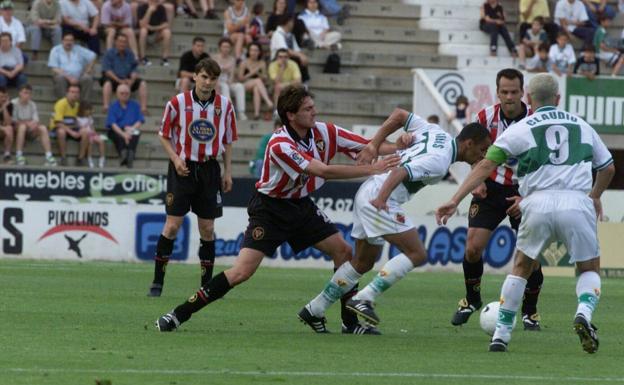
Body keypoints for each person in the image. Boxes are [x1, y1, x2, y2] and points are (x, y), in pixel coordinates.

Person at [154, 84, 400, 332]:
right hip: (269, 210)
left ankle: (350, 324)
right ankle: (178, 314)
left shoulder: (324, 132)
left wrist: (402, 145)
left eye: (313, 107)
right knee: (242, 272)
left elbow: (369, 146)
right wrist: (371, 169)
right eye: (308, 109)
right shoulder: (280, 144)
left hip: (301, 205)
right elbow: (322, 170)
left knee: (344, 252)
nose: (314, 112)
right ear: (291, 115)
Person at [436, 73, 615, 353]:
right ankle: (583, 313)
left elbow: (484, 166)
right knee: (588, 268)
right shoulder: (582, 125)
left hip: (535, 202)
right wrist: (594, 197)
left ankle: (501, 335)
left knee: (520, 267)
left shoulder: (521, 128)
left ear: (528, 98)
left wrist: (454, 198)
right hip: (576, 202)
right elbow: (608, 168)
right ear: (558, 99)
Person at [301, 111, 491, 332]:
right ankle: (365, 298)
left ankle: (315, 309)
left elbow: (400, 115)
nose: (483, 155)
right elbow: (400, 172)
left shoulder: (435, 132)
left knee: (363, 262)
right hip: (380, 196)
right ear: (468, 143)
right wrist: (381, 199)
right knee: (417, 254)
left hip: (368, 191)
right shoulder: (440, 162)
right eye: (482, 150)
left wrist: (375, 144)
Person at [449, 68, 545, 331]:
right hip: (490, 188)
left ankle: (530, 311)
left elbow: (544, 164)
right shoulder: (485, 117)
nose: (509, 97)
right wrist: (476, 179)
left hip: (524, 190)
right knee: (472, 248)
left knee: (530, 257)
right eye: (504, 92)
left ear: (523, 92)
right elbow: (476, 154)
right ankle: (471, 299)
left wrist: (526, 198)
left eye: (514, 92)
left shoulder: (536, 120)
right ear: (498, 92)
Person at [147, 58, 237, 297]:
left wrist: (227, 171)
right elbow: (164, 135)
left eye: (213, 78)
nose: (208, 83)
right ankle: (157, 282)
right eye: (204, 77)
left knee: (207, 228)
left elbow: (227, 141)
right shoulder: (178, 102)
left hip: (209, 170)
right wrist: (176, 159)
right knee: (173, 225)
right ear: (195, 76)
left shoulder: (225, 105)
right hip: (183, 169)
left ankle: (206, 286)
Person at [101, 33, 147, 114]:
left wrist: (131, 80)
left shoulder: (130, 54)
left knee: (142, 83)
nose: (122, 44)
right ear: (115, 42)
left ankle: (143, 108)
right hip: (113, 79)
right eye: (120, 41)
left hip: (127, 79)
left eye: (124, 42)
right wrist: (119, 81)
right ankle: (106, 106)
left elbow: (134, 69)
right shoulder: (109, 53)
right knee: (107, 83)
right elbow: (107, 71)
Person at [12, 84, 57, 166]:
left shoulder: (32, 104)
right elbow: (14, 121)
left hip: (30, 130)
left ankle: (49, 156)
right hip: (17, 131)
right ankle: (19, 156)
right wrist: (27, 123)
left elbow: (36, 120)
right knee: (22, 127)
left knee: (43, 128)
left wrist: (33, 124)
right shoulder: (13, 103)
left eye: (29, 93)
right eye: (25, 93)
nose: (27, 95)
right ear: (20, 93)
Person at [48, 31, 96, 102]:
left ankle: (84, 105)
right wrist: (69, 78)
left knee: (87, 78)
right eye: (66, 40)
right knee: (59, 78)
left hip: (79, 77)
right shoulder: (55, 50)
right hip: (63, 77)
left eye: (71, 40)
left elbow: (93, 56)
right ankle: (64, 103)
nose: (69, 42)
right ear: (62, 41)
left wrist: (88, 70)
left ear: (74, 42)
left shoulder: (79, 49)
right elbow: (54, 68)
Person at [106, 83, 144, 168]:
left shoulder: (135, 105)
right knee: (116, 135)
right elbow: (112, 124)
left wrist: (131, 130)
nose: (124, 95)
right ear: (117, 94)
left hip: (130, 129)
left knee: (136, 133)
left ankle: (130, 153)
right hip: (117, 129)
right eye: (122, 93)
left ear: (130, 94)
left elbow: (140, 120)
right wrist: (124, 135)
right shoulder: (113, 106)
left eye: (126, 93)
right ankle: (124, 153)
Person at [49, 84, 88, 166]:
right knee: (61, 132)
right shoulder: (61, 103)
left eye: (77, 92)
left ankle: (80, 159)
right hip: (58, 128)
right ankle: (63, 158)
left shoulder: (78, 105)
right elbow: (58, 123)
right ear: (67, 93)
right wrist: (71, 132)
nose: (75, 94)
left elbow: (80, 121)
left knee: (85, 131)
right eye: (72, 92)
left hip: (72, 128)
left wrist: (81, 128)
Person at [237, 42, 273, 120]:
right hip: (244, 85)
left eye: (256, 50)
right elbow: (240, 79)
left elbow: (265, 78)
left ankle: (256, 114)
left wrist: (258, 73)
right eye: (252, 50)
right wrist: (251, 73)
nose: (254, 52)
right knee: (257, 81)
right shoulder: (244, 62)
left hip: (258, 86)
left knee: (257, 88)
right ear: (249, 51)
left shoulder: (261, 63)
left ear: (259, 52)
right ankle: (268, 102)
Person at [214, 37, 247, 121]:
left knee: (239, 86)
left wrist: (230, 81)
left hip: (228, 82)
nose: (226, 49)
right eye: (224, 47)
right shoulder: (215, 58)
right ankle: (230, 109)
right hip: (217, 82)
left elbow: (232, 76)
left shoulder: (232, 59)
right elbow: (213, 74)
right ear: (220, 47)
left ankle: (241, 112)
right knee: (224, 86)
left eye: (228, 47)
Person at [270, 15, 310, 83]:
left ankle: (304, 83)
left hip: (288, 56)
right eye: (292, 22)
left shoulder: (291, 35)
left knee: (302, 59)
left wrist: (302, 56)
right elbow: (285, 50)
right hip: (278, 57)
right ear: (288, 22)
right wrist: (300, 56)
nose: (293, 24)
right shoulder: (277, 34)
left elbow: (297, 50)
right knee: (297, 59)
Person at [137, 0, 172, 66]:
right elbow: (142, 25)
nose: (155, 3)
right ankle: (143, 58)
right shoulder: (142, 7)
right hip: (145, 34)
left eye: (156, 1)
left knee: (167, 32)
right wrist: (149, 11)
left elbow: (166, 24)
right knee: (143, 30)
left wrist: (154, 28)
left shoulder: (161, 7)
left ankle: (165, 58)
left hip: (156, 34)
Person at [76, 102, 105, 169]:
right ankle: (89, 159)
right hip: (86, 135)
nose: (89, 111)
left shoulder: (90, 118)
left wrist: (95, 134)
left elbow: (92, 128)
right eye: (87, 110)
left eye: (90, 110)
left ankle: (102, 158)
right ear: (82, 110)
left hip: (91, 134)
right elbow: (80, 128)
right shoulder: (78, 119)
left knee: (101, 141)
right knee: (90, 142)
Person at [0, 86, 13, 163]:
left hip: (2, 132)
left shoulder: (9, 105)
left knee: (9, 128)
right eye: (1, 97)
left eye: (5, 97)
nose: (3, 99)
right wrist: (3, 128)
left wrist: (4, 107)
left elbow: (8, 123)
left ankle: (7, 155)